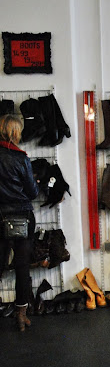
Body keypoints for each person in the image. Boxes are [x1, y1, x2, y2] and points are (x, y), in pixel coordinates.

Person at [0, 114, 39, 331]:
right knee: (22, 267)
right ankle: (21, 314)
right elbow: (32, 192)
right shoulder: (20, 158)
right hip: (21, 216)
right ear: (15, 133)